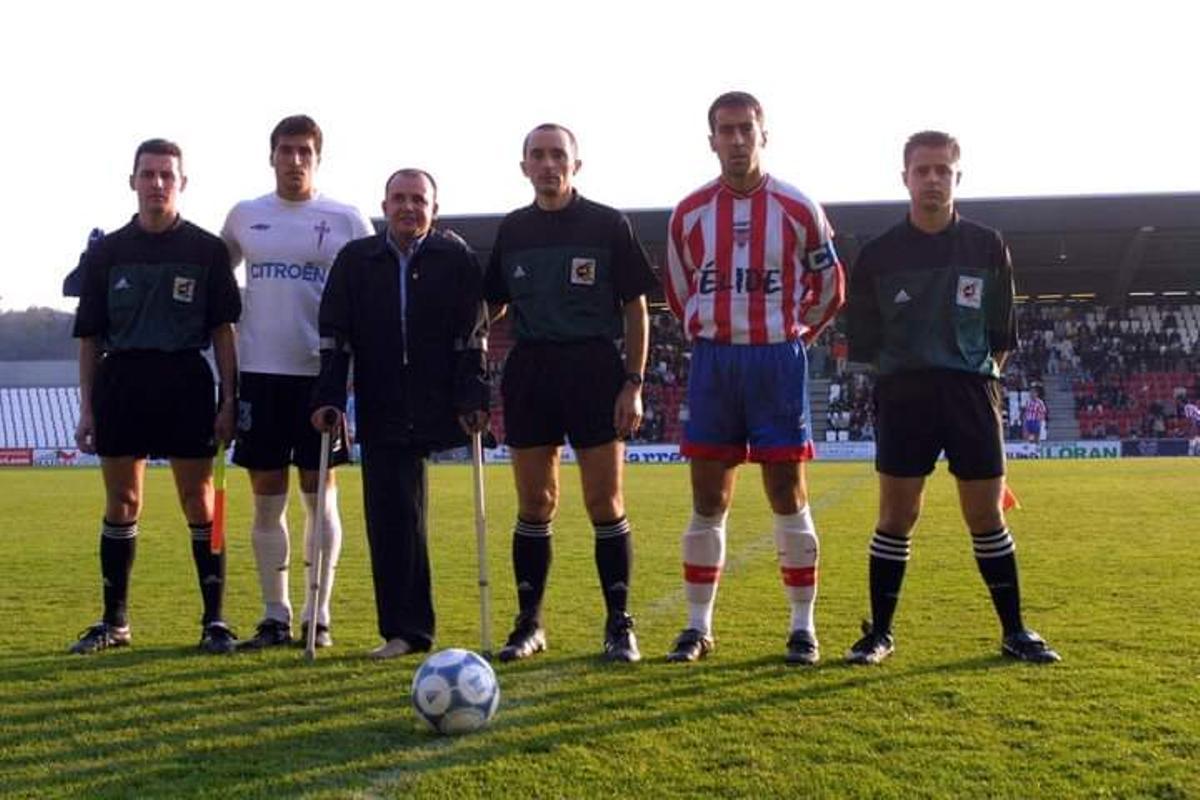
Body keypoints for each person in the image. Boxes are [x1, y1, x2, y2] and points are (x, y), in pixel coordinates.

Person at [844, 130, 1060, 664]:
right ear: (905, 178)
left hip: (971, 394)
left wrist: (971, 375)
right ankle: (880, 634)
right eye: (923, 171)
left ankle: (1015, 631)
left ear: (957, 177)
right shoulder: (877, 255)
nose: (933, 179)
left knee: (986, 516)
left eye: (943, 170)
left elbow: (1001, 336)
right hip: (904, 394)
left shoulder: (986, 246)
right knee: (896, 516)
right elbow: (867, 343)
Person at [662, 91, 845, 665]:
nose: (737, 140)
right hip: (715, 362)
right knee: (708, 496)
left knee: (787, 493)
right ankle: (697, 628)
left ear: (764, 134)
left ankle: (802, 628)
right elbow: (676, 289)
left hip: (775, 362)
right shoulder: (688, 213)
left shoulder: (798, 208)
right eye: (726, 130)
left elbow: (830, 285)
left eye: (747, 129)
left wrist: (795, 337)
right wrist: (714, 327)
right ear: (710, 138)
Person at [484, 123, 657, 663]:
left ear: (575, 164)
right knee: (535, 503)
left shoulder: (607, 224)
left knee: (604, 502)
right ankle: (529, 624)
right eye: (537, 155)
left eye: (558, 154)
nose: (548, 164)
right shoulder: (512, 230)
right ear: (524, 167)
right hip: (531, 369)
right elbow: (493, 305)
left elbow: (635, 307)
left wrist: (633, 382)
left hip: (594, 367)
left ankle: (618, 624)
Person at [69, 139, 241, 655]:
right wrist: (87, 406)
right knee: (122, 501)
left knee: (202, 502)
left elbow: (224, 333)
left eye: (168, 175)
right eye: (149, 174)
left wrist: (229, 399)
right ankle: (114, 622)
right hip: (121, 381)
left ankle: (215, 620)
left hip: (187, 382)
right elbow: (89, 337)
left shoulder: (207, 250)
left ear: (182, 183)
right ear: (133, 181)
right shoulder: (106, 253)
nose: (158, 183)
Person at [312, 169, 488, 659]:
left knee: (421, 514)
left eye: (419, 200)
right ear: (384, 205)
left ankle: (500, 623)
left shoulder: (455, 258)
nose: (408, 207)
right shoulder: (356, 259)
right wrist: (328, 397)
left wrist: (473, 394)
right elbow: (334, 335)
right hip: (383, 398)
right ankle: (404, 631)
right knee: (391, 517)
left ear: (434, 207)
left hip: (438, 396)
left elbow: (472, 333)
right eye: (399, 199)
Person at [221, 115, 373, 650]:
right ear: (271, 156)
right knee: (266, 501)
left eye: (304, 151)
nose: (294, 160)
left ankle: (319, 613)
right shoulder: (245, 216)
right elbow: (219, 283)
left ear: (317, 158)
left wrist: (351, 371)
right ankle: (274, 615)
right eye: (285, 150)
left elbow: (370, 293)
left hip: (320, 377)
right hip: (260, 376)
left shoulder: (346, 219)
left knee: (319, 498)